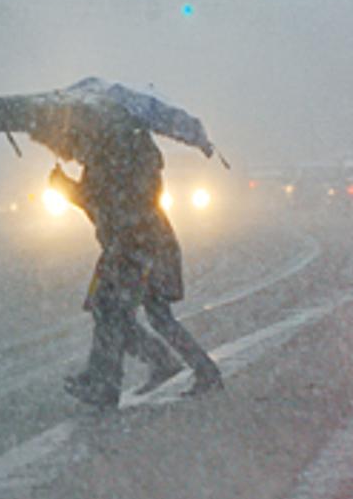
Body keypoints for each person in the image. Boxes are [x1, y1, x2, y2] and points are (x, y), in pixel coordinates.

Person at [35, 123, 223, 407]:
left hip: (137, 248)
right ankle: (163, 366)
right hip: (134, 247)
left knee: (114, 311)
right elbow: (100, 202)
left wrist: (66, 187)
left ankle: (109, 381)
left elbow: (104, 203)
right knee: (124, 311)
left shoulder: (118, 158)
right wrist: (70, 187)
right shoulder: (121, 155)